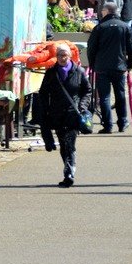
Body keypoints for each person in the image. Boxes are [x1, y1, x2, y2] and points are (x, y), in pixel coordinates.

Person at [32, 43, 91, 188]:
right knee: (63, 144)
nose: (62, 58)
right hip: (57, 114)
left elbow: (87, 91)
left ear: (70, 56)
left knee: (69, 143)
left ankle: (69, 173)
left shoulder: (79, 71)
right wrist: (44, 111)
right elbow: (44, 94)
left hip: (73, 114)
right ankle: (68, 169)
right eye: (59, 55)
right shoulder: (51, 73)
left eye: (64, 55)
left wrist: (82, 106)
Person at [86, 1, 132, 134]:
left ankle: (108, 125)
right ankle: (122, 122)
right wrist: (130, 64)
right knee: (120, 94)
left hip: (102, 67)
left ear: (107, 11)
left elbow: (91, 48)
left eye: (102, 10)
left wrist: (92, 64)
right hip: (119, 66)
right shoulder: (124, 26)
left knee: (104, 97)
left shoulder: (100, 27)